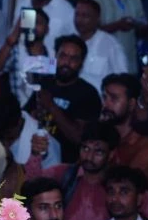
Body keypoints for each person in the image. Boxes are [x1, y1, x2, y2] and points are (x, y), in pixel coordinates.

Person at [26, 122, 125, 220]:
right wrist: (35, 154)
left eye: (98, 152)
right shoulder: (64, 174)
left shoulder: (119, 185)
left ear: (111, 154)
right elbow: (31, 185)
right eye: (85, 148)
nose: (89, 156)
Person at [24, 35, 102, 163]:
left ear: (81, 63)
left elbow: (79, 137)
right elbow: (26, 115)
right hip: (36, 155)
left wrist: (51, 106)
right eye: (63, 56)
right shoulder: (45, 83)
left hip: (66, 163)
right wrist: (34, 115)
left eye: (73, 58)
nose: (66, 62)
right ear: (56, 56)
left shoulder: (88, 94)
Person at [99, 74, 148, 193]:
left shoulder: (147, 146)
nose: (105, 104)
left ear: (131, 104)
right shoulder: (99, 138)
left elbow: (126, 188)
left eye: (113, 98)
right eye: (104, 97)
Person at [86, 0, 148, 72]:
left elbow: (143, 25)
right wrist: (117, 26)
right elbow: (87, 31)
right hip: (102, 65)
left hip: (129, 64)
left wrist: (142, 27)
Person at [71, 0, 127, 94]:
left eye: (85, 16)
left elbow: (123, 79)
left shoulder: (111, 44)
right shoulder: (70, 42)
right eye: (77, 15)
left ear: (97, 19)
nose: (79, 20)